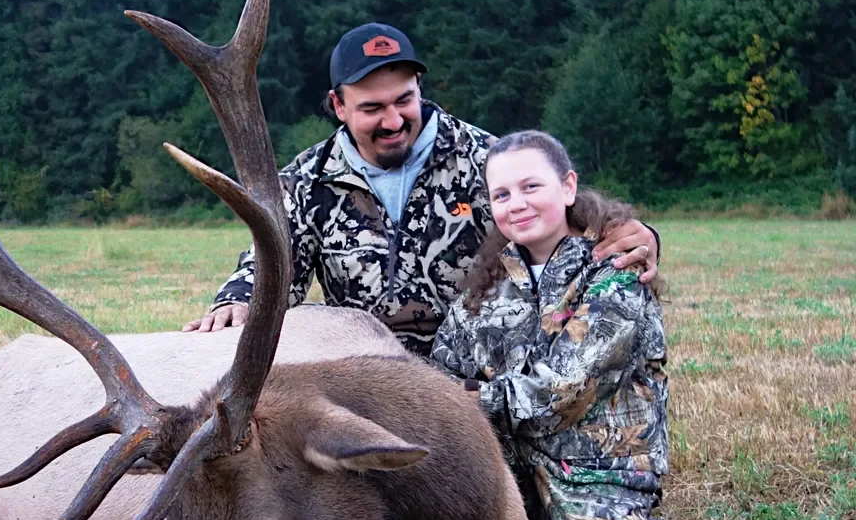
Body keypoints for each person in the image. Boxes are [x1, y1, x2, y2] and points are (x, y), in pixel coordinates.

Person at [182, 22, 660, 358]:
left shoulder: (484, 158)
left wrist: (640, 236)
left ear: (419, 87)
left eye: (404, 100)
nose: (393, 122)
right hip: (362, 374)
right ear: (338, 106)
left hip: (476, 368)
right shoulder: (307, 180)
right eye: (372, 108)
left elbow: (561, 211)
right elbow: (271, 262)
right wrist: (236, 302)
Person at [430, 129, 690, 520]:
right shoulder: (485, 283)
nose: (517, 205)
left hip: (594, 469)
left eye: (532, 187)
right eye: (502, 195)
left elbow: (562, 391)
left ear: (567, 187)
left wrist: (461, 402)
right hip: (509, 461)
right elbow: (442, 369)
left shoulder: (614, 272)